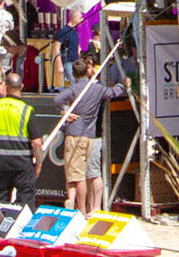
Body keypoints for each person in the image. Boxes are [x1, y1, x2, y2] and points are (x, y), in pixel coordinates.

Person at [55, 56, 130, 213]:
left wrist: (65, 111)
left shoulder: (75, 89)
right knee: (81, 173)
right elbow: (114, 92)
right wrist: (122, 84)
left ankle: (79, 207)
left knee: (74, 175)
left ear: (74, 75)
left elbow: (57, 99)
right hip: (90, 135)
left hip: (75, 134)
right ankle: (78, 205)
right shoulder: (97, 89)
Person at [0, 71, 40, 208]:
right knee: (25, 205)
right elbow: (37, 143)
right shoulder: (26, 110)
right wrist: (38, 164)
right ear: (22, 86)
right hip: (23, 164)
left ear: (5, 86)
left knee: (0, 203)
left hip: (1, 163)